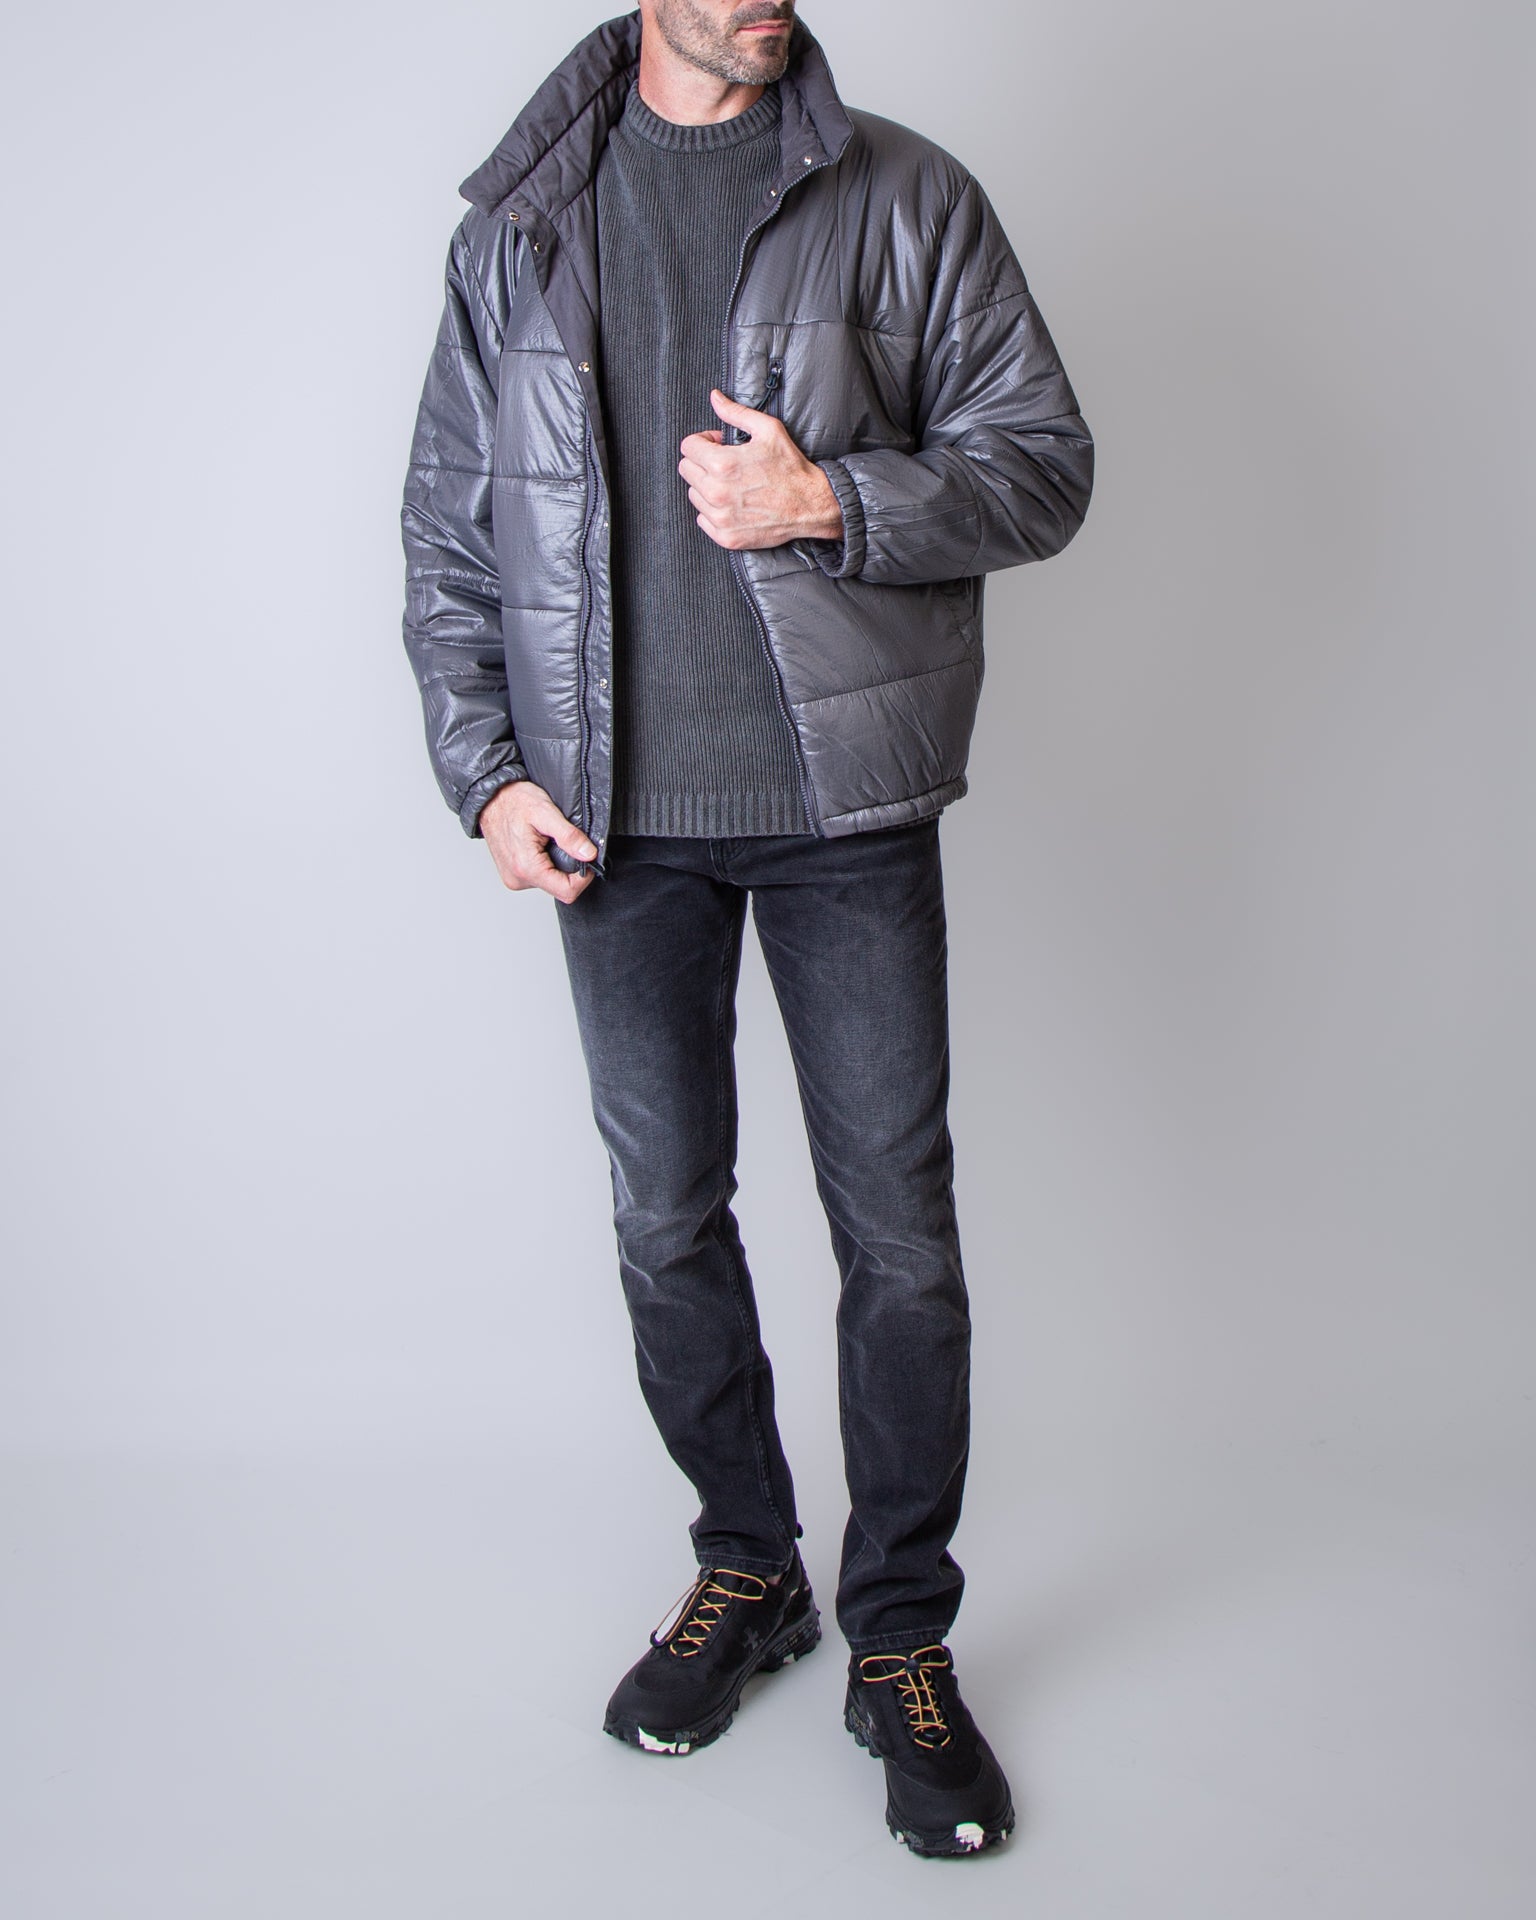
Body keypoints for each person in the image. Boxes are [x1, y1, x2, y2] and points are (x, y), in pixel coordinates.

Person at [400, 2, 1092, 1858]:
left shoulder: (906, 196)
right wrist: (485, 772)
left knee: (901, 1238)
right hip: (612, 824)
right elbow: (452, 526)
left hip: (843, 812)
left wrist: (831, 499)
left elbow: (1044, 461)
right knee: (664, 1217)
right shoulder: (523, 222)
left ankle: (902, 1640)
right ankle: (750, 1567)